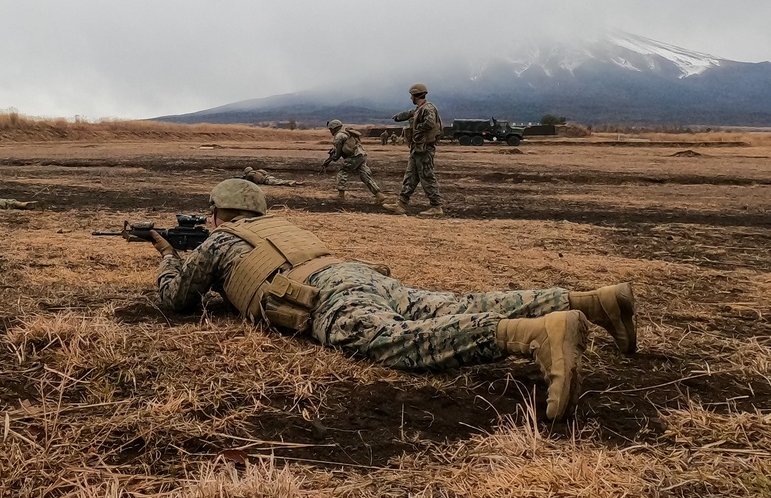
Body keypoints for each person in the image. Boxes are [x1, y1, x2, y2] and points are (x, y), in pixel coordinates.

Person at [153, 179, 637, 420]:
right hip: (357, 274)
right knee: (457, 304)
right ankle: (592, 301)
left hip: (321, 294)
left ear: (217, 214)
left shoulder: (220, 241)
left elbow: (178, 300)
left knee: (391, 339)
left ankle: (535, 336)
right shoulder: (280, 226)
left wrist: (168, 259)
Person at [387, 83, 443, 217]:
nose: (410, 98)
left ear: (415, 95)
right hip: (417, 149)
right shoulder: (420, 109)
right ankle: (401, 204)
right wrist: (398, 117)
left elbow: (430, 123)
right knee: (410, 176)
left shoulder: (428, 108)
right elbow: (410, 113)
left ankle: (436, 206)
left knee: (427, 176)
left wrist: (416, 130)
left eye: (411, 95)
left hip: (424, 149)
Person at [323, 120, 387, 205]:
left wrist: (331, 159)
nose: (330, 131)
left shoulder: (339, 136)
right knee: (365, 176)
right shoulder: (346, 133)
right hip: (361, 155)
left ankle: (341, 195)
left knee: (342, 172)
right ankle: (379, 195)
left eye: (330, 129)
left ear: (333, 128)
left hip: (353, 157)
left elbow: (337, 154)